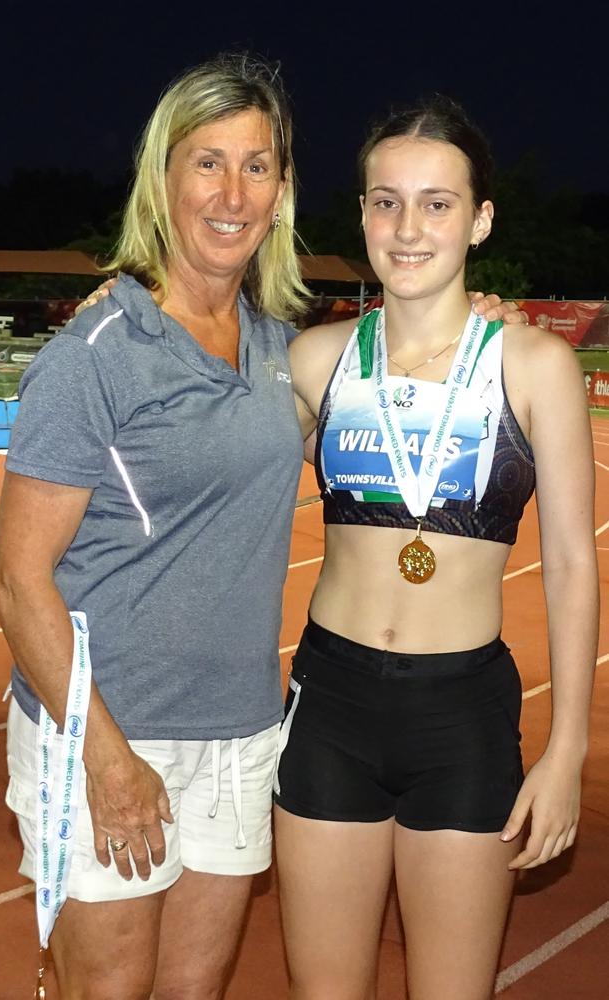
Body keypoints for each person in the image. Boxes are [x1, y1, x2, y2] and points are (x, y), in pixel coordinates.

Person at [0, 54, 525, 1000]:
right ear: (164, 180)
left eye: (259, 165)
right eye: (207, 163)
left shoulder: (285, 351)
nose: (233, 193)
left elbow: (409, 363)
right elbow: (14, 579)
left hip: (241, 737)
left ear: (281, 193)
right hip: (112, 732)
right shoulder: (97, 355)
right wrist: (106, 760)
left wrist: (477, 315)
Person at [273, 96, 598, 1000]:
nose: (407, 227)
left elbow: (573, 563)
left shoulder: (534, 368)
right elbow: (203, 418)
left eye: (438, 203)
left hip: (463, 717)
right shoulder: (315, 360)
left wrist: (565, 748)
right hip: (330, 702)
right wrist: (132, 290)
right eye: (385, 201)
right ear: (363, 214)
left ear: (481, 220)